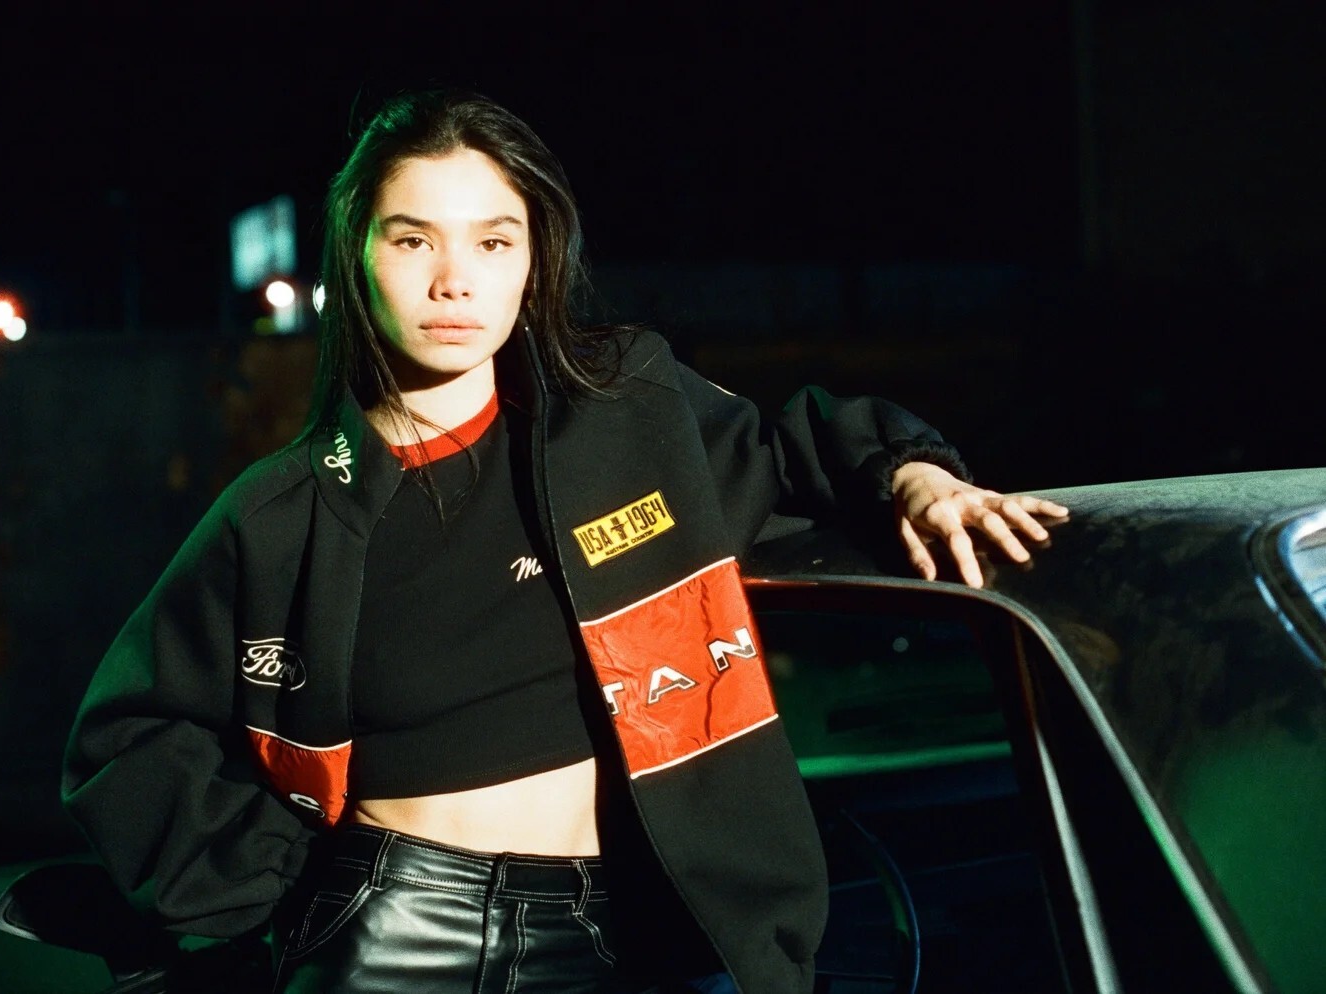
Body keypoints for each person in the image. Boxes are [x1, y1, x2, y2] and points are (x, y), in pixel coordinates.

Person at [62, 89, 1068, 994]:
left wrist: (919, 477)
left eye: (494, 242)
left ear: (534, 259)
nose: (455, 281)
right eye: (413, 241)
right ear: (356, 255)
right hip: (407, 932)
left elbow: (799, 447)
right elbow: (128, 734)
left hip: (659, 923)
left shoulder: (628, 413)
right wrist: (271, 889)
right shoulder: (283, 514)